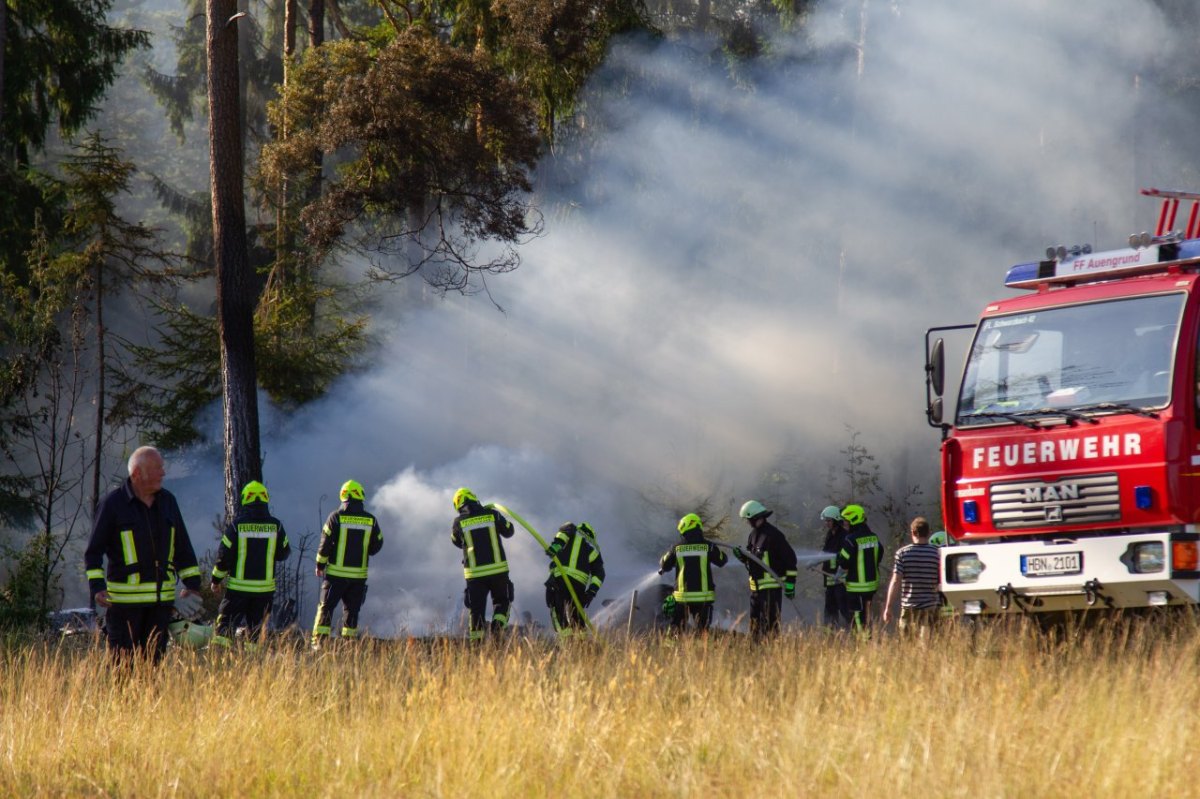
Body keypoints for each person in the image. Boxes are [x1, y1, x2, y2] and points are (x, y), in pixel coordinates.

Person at [84, 445, 203, 664]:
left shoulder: (168, 502)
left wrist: (193, 586)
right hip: (124, 607)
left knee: (153, 667)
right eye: (158, 468)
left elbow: (182, 547)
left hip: (160, 606)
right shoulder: (112, 505)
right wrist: (98, 588)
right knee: (122, 667)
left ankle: (149, 700)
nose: (163, 473)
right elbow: (93, 553)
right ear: (137, 474)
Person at [210, 480, 291, 649]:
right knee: (256, 632)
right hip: (264, 591)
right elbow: (284, 553)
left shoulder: (236, 526)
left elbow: (224, 557)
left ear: (245, 500)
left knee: (225, 627)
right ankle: (253, 666)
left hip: (238, 591)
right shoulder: (276, 526)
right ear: (265, 499)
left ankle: (219, 660)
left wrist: (216, 580)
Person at [311, 480, 383, 649]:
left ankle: (318, 644)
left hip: (336, 575)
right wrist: (367, 551)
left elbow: (325, 545)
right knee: (351, 612)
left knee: (326, 608)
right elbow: (378, 543)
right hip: (358, 577)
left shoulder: (335, 517)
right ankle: (349, 646)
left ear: (343, 496)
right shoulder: (370, 520)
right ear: (361, 496)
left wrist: (320, 565)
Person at [451, 487, 516, 641]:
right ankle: (497, 629)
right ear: (473, 497)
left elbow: (455, 541)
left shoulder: (458, 521)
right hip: (498, 571)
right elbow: (509, 531)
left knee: (476, 610)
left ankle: (476, 647)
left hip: (475, 575)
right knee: (502, 602)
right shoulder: (492, 514)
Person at [732, 500, 798, 639]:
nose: (747, 522)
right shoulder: (753, 536)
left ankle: (772, 654)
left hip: (771, 589)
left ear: (755, 517)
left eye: (748, 519)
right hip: (755, 590)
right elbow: (754, 560)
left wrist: (790, 583)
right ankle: (756, 654)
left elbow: (791, 560)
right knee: (755, 625)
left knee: (771, 626)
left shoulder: (774, 535)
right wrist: (742, 557)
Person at [657, 513, 728, 634]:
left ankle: (673, 650)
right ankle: (701, 651)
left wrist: (670, 554)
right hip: (704, 598)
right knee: (703, 631)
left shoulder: (677, 548)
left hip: (682, 598)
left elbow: (664, 564)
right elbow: (722, 560)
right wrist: (714, 548)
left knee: (677, 630)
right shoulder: (708, 546)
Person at [881, 517, 942, 639]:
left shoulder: (902, 553)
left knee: (907, 645)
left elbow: (896, 581)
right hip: (930, 606)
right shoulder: (937, 553)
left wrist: (888, 607)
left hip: (909, 607)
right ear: (928, 532)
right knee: (928, 644)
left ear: (912, 532)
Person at [544, 522, 605, 639]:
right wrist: (591, 592)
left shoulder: (571, 532)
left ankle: (566, 642)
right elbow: (599, 574)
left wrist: (555, 548)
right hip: (578, 586)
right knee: (577, 615)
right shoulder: (594, 549)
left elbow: (562, 535)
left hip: (560, 580)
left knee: (557, 611)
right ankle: (582, 644)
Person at [835, 503, 884, 635]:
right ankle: (868, 637)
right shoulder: (874, 537)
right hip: (872, 585)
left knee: (857, 615)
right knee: (867, 614)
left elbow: (843, 562)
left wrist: (839, 571)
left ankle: (862, 642)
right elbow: (880, 554)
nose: (844, 524)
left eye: (846, 521)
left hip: (856, 586)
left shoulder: (850, 540)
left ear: (854, 520)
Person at [818, 506, 847, 629]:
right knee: (829, 612)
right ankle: (830, 638)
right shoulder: (830, 535)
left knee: (845, 610)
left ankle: (854, 633)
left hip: (840, 581)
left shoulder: (844, 536)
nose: (827, 523)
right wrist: (814, 561)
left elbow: (846, 557)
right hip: (830, 582)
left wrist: (840, 573)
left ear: (836, 520)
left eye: (829, 521)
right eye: (826, 521)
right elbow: (825, 552)